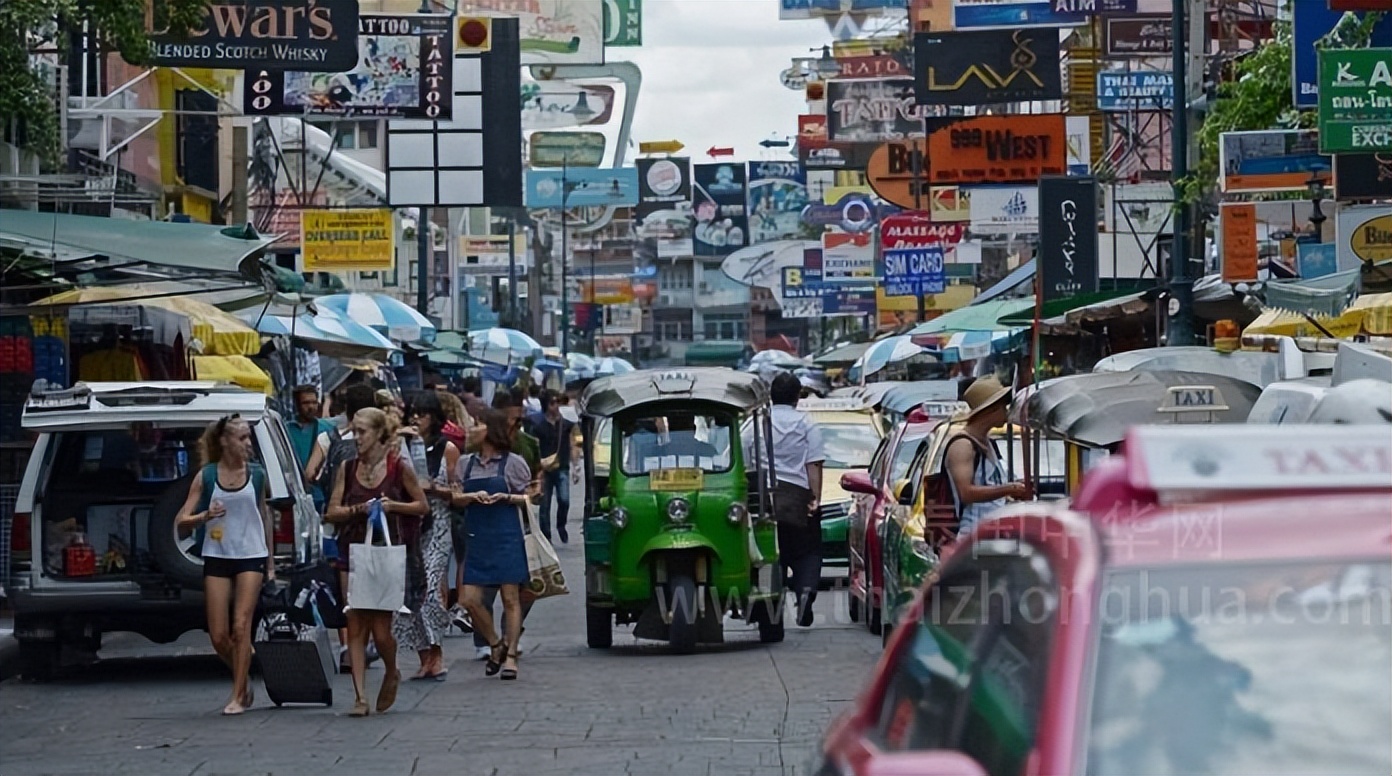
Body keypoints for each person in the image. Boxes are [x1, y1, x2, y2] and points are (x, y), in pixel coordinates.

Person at [325, 407, 430, 717]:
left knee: (382, 632)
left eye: (362, 432)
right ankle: (360, 697)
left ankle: (391, 669)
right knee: (355, 623)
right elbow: (332, 511)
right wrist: (359, 510)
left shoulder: (398, 468)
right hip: (353, 552)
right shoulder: (347, 467)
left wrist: (392, 505)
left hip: (386, 551)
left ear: (380, 434)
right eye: (354, 431)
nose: (356, 438)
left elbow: (422, 506)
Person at [175, 414, 273, 715]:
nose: (247, 444)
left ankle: (238, 694)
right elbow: (181, 522)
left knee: (241, 626)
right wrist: (205, 516)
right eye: (242, 438)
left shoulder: (256, 475)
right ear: (225, 441)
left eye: (248, 438)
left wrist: (270, 561)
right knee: (219, 635)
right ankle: (241, 670)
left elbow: (264, 515)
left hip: (251, 554)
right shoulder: (206, 476)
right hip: (217, 553)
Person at [450, 410, 533, 681]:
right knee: (469, 600)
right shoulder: (465, 463)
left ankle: (510, 657)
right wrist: (470, 496)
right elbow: (456, 497)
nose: (472, 429)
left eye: (478, 425)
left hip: (506, 536)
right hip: (478, 537)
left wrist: (507, 497)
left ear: (491, 430)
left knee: (511, 598)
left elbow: (530, 498)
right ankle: (496, 643)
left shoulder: (513, 463)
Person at [745, 372, 825, 628]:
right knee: (808, 552)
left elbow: (742, 455)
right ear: (797, 397)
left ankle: (768, 606)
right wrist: (815, 499)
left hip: (763, 500)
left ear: (771, 396)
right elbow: (814, 465)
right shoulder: (807, 424)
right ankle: (805, 592)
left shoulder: (756, 424)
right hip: (797, 498)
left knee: (768, 554)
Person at [394, 392, 459, 681]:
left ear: (434, 417)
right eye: (413, 413)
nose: (417, 419)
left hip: (438, 524)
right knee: (410, 596)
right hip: (410, 527)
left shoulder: (448, 450)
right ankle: (424, 656)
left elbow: (457, 492)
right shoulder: (402, 447)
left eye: (423, 413)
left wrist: (433, 488)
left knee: (432, 590)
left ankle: (437, 652)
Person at [943, 377, 1030, 538]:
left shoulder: (989, 443)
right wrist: (1008, 489)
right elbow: (966, 493)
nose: (1006, 412)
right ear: (990, 410)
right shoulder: (963, 445)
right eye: (1002, 407)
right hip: (972, 538)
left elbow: (990, 490)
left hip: (992, 536)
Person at [529, 390, 574, 543]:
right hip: (545, 469)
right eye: (552, 403)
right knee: (545, 504)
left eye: (557, 403)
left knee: (564, 499)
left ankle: (561, 525)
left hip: (562, 467)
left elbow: (573, 444)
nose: (556, 406)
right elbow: (534, 447)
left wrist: (576, 466)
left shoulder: (565, 424)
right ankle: (546, 535)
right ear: (546, 406)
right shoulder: (539, 427)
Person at [286, 385, 335, 513]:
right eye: (306, 403)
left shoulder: (327, 429)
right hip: (295, 495)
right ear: (297, 404)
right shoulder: (286, 430)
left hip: (322, 495)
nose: (311, 407)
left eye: (314, 402)